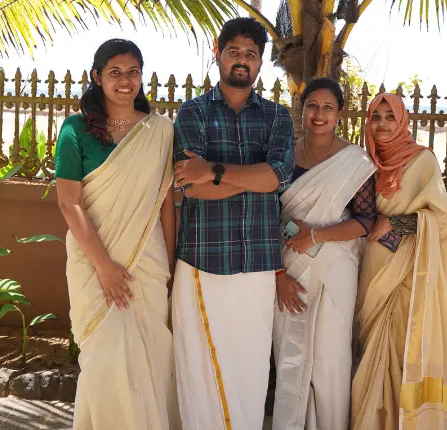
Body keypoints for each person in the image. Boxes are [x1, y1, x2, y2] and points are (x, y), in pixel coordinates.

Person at [171, 17, 295, 430]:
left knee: (251, 369)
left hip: (258, 265)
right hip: (203, 261)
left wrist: (215, 170)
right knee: (201, 371)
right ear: (217, 53)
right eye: (234, 52)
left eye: (251, 54)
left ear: (260, 63)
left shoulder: (278, 118)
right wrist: (251, 179)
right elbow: (191, 187)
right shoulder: (193, 112)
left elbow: (278, 177)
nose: (242, 61)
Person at [54, 39, 180, 430]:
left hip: (149, 262)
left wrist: (170, 265)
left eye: (133, 72)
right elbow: (68, 202)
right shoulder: (75, 129)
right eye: (115, 72)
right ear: (97, 77)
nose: (125, 81)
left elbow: (165, 204)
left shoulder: (160, 131)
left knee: (152, 356)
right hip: (93, 263)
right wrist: (105, 267)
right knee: (103, 358)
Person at [272, 78, 377, 430]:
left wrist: (315, 235)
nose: (319, 114)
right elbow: (265, 215)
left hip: (335, 268)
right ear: (301, 109)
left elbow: (365, 220)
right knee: (288, 351)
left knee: (330, 356)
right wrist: (278, 276)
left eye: (327, 107)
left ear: (339, 113)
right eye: (312, 106)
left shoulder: (354, 161)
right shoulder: (283, 155)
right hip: (288, 266)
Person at [351, 93, 447, 430]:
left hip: (407, 272)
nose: (382, 124)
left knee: (400, 348)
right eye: (376, 117)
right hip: (369, 270)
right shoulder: (362, 161)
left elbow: (441, 221)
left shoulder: (422, 161)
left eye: (390, 117)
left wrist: (393, 223)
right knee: (371, 351)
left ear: (402, 122)